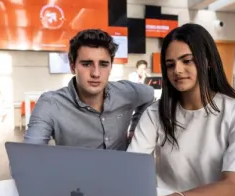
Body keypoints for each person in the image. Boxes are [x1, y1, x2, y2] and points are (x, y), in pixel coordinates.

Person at [127, 23, 235, 196]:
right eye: (170, 64)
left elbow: (233, 189)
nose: (178, 70)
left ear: (207, 61)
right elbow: (132, 168)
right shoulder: (155, 113)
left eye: (187, 61)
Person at [24, 29, 154, 150]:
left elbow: (149, 94)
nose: (96, 73)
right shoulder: (51, 104)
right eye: (86, 64)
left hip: (124, 172)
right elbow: (29, 158)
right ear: (72, 65)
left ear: (111, 66)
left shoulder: (125, 92)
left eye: (103, 64)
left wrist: (135, 130)